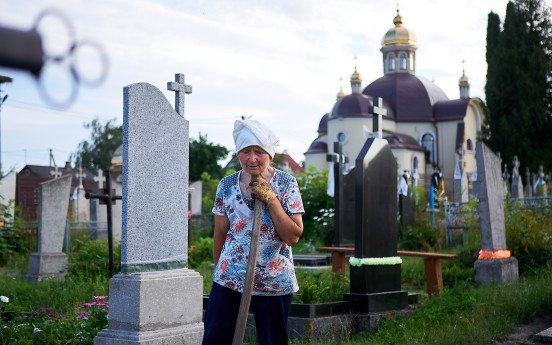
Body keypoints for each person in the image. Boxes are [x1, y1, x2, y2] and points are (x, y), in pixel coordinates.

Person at [202, 119, 304, 345]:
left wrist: (271, 199)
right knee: (215, 338)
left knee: (272, 340)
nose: (252, 159)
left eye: (259, 152)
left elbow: (293, 236)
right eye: (245, 151)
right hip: (230, 279)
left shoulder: (286, 183)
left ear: (270, 154)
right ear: (238, 153)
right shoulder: (226, 185)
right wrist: (220, 273)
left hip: (273, 280)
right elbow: (220, 233)